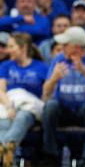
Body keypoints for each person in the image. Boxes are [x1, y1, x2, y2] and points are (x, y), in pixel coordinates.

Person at [40, 27, 85, 167]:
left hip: (84, 111)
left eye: (65, 45)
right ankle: (51, 156)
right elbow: (46, 91)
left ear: (76, 47)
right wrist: (54, 78)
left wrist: (84, 70)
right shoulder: (58, 59)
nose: (62, 47)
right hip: (63, 109)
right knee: (49, 106)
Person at [0, 33, 48, 167]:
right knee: (3, 119)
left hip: (30, 105)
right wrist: (9, 107)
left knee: (23, 116)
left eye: (11, 46)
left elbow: (46, 94)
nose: (8, 50)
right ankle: (8, 156)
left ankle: (7, 144)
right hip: (8, 103)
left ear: (23, 47)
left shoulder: (42, 67)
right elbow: (0, 91)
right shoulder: (6, 66)